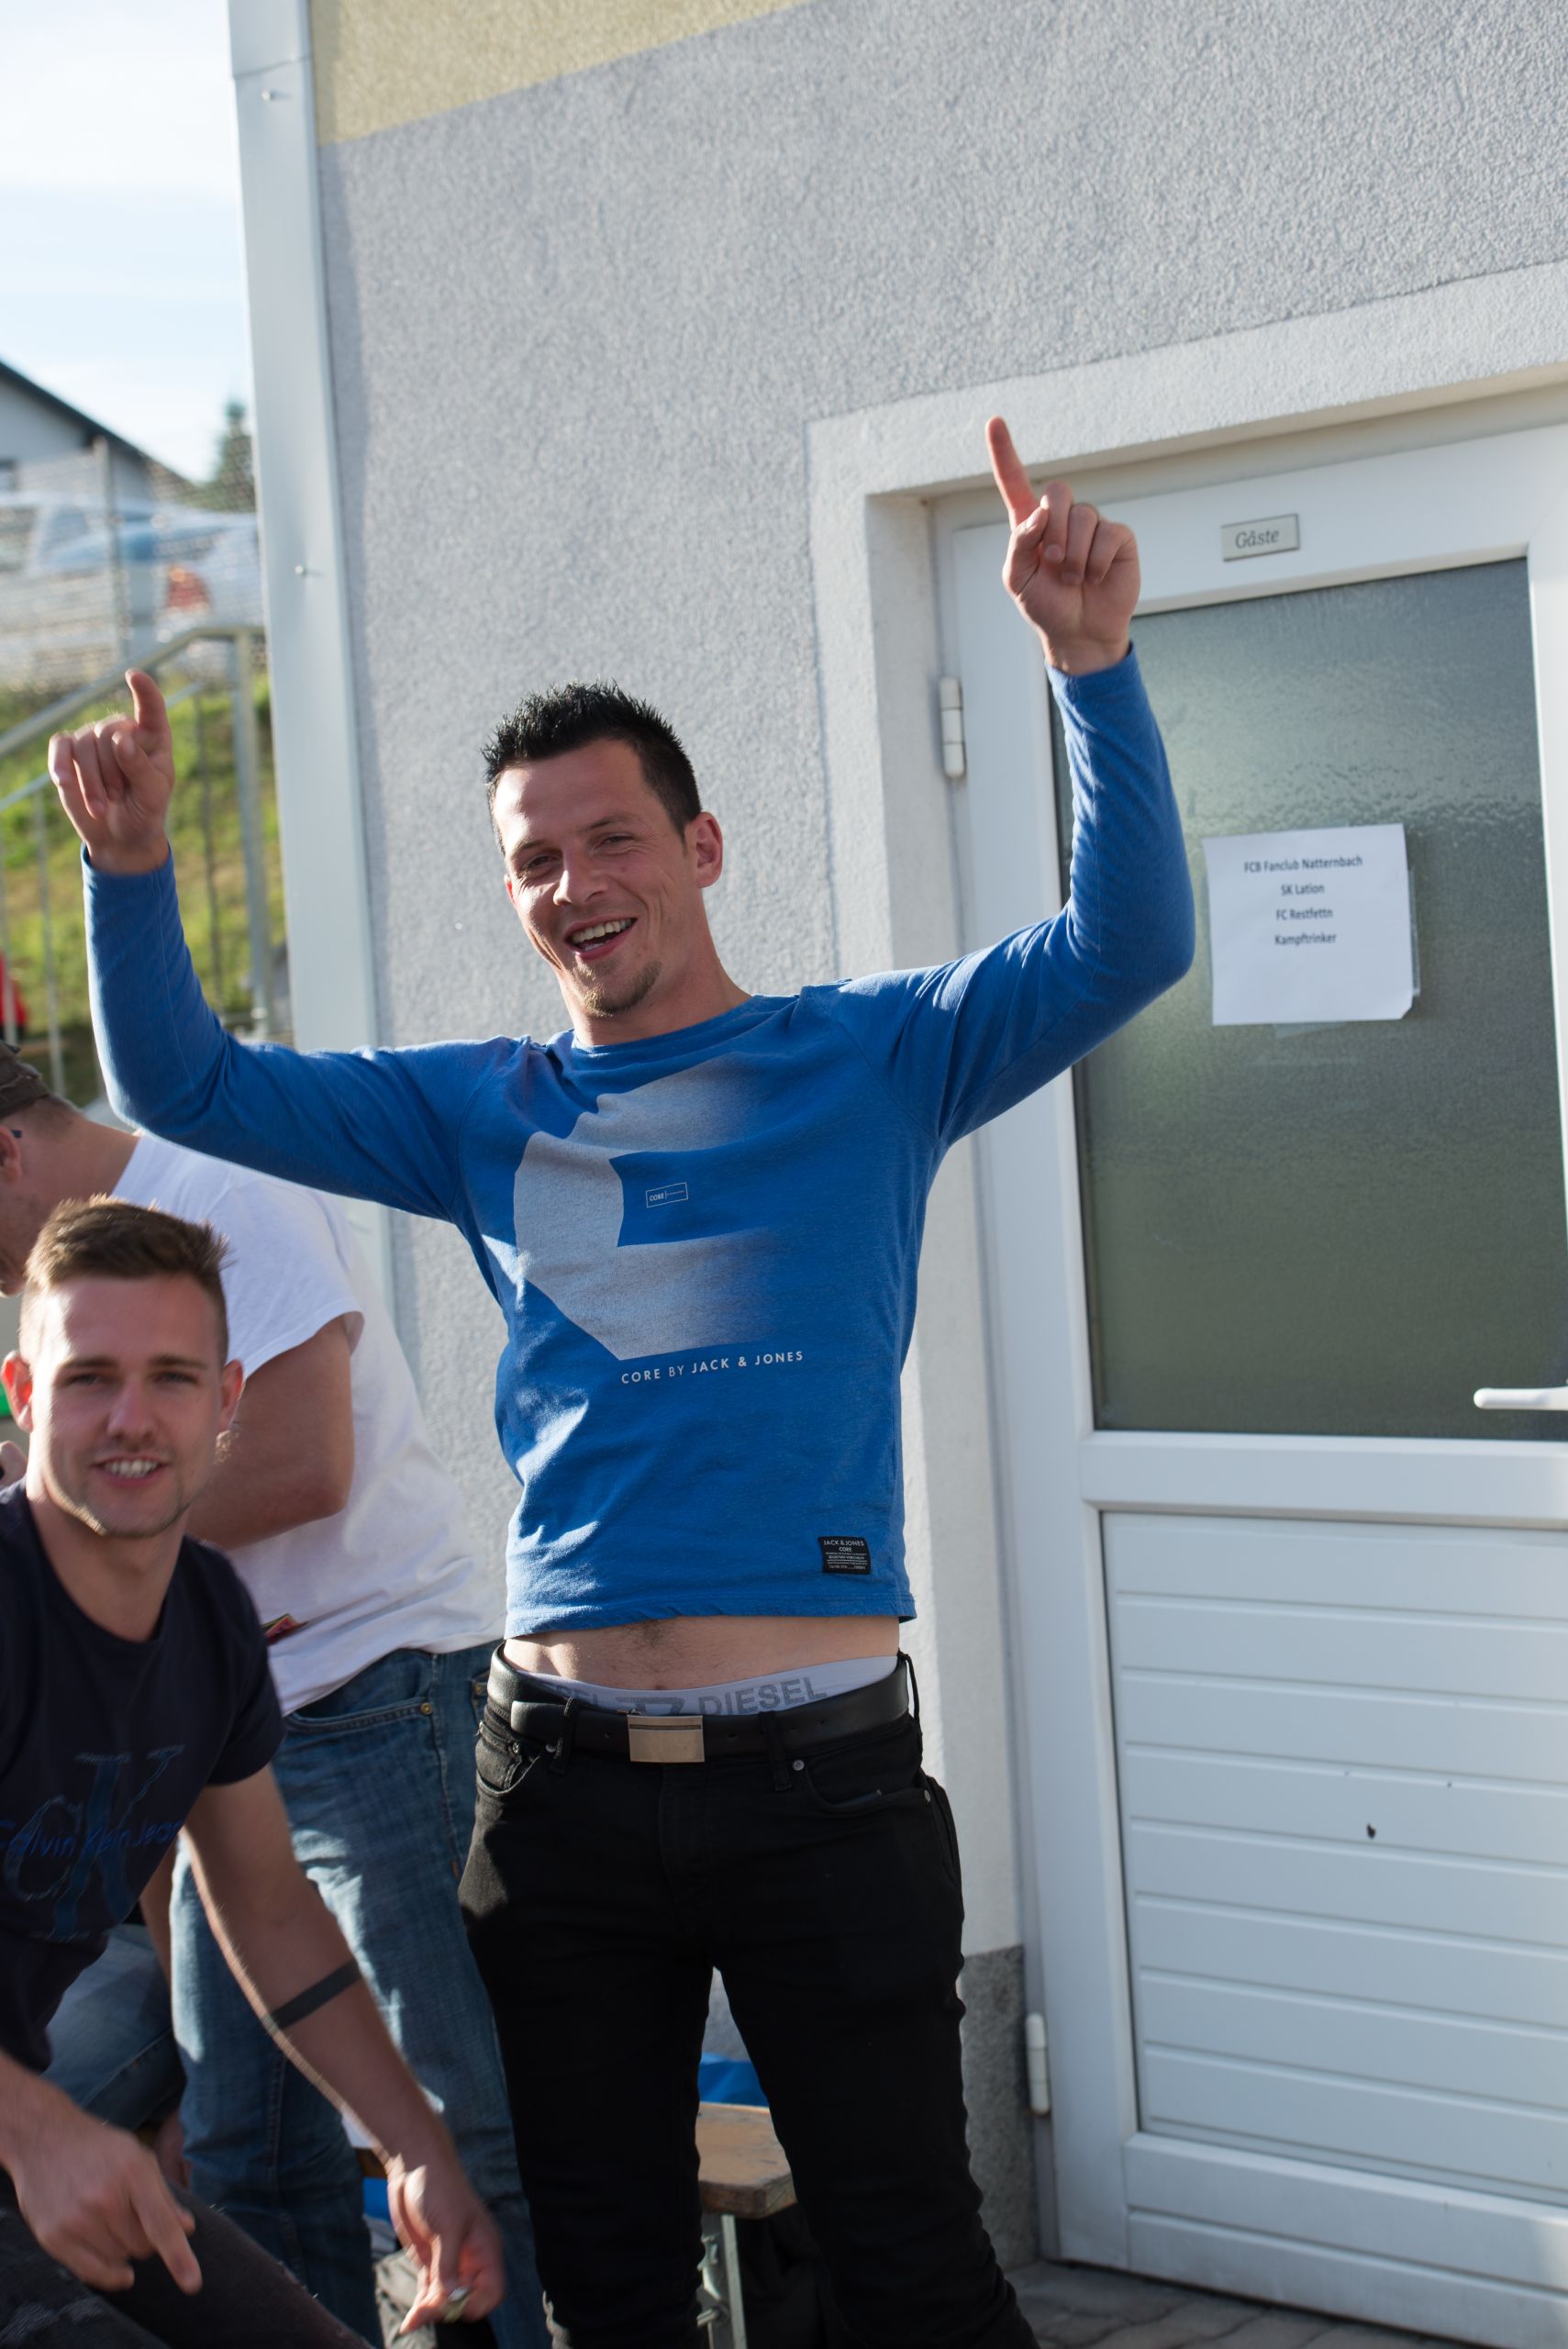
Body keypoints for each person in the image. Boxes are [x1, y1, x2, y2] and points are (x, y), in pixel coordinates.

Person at [54, 420, 1195, 2348]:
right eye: (534, 859)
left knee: (914, 2272)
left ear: (700, 848)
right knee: (605, 2276)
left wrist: (1092, 669)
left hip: (823, 1782)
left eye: (610, 839)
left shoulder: (875, 1056)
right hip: (561, 1793)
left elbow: (1126, 941)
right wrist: (136, 870)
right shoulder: (478, 1110)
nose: (574, 883)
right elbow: (188, 1085)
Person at [0, 1050, 545, 2348]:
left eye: (174, 1379)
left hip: (375, 1693)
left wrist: (414, 2148)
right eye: (88, 1380)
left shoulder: (205, 1619)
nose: (133, 1422)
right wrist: (39, 2131)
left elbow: (270, 1909)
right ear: (22, 1400)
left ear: (226, 1399)